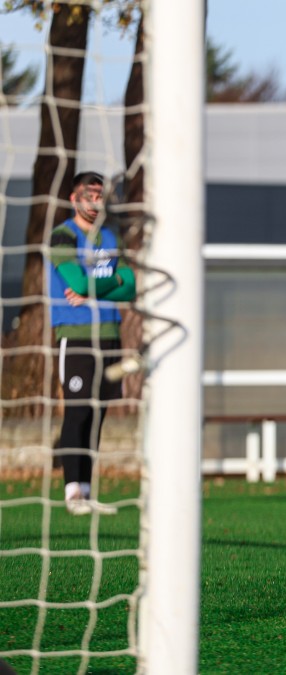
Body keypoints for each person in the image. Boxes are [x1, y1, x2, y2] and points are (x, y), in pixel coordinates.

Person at [48, 171, 136, 516]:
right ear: (74, 198)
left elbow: (129, 286)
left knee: (99, 413)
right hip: (75, 335)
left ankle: (86, 490)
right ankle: (72, 493)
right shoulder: (63, 236)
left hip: (109, 333)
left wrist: (98, 285)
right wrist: (108, 283)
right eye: (88, 194)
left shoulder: (110, 238)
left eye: (99, 195)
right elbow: (74, 281)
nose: (94, 201)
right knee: (78, 410)